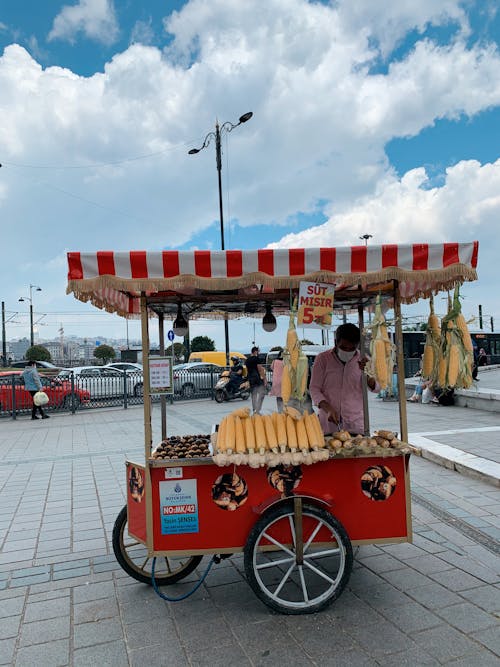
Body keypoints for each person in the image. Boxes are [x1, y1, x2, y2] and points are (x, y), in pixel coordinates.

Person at [309, 323, 376, 434]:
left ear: (357, 345)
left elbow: (376, 387)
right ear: (336, 342)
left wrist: (368, 373)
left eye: (352, 348)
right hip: (329, 423)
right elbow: (314, 388)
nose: (348, 351)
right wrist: (328, 409)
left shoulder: (365, 360)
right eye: (344, 347)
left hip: (355, 424)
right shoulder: (322, 359)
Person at [245, 346, 267, 415]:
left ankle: (254, 410)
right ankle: (258, 409)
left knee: (254, 394)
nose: (259, 353)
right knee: (262, 393)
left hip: (251, 379)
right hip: (257, 378)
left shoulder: (247, 360)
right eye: (258, 351)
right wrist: (265, 379)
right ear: (255, 351)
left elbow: (247, 370)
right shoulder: (256, 359)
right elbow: (260, 369)